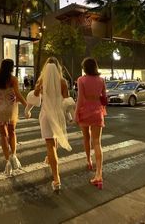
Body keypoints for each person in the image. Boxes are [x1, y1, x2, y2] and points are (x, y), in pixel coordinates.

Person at [25, 57, 72, 192]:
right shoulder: (62, 82)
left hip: (46, 116)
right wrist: (69, 117)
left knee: (50, 145)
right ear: (58, 68)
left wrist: (27, 111)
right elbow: (66, 102)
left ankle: (56, 179)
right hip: (58, 115)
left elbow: (33, 98)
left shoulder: (41, 81)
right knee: (55, 139)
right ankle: (51, 161)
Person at [0, 59, 27, 176]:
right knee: (12, 132)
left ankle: (7, 162)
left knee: (3, 135)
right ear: (11, 67)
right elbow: (17, 94)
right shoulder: (12, 79)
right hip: (11, 109)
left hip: (0, 109)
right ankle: (14, 156)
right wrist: (27, 105)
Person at [75, 57, 107, 190]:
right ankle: (99, 174)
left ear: (85, 68)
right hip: (97, 112)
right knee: (97, 142)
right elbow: (104, 98)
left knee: (86, 137)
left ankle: (89, 161)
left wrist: (76, 113)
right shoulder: (101, 80)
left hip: (85, 112)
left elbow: (80, 98)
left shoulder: (81, 80)